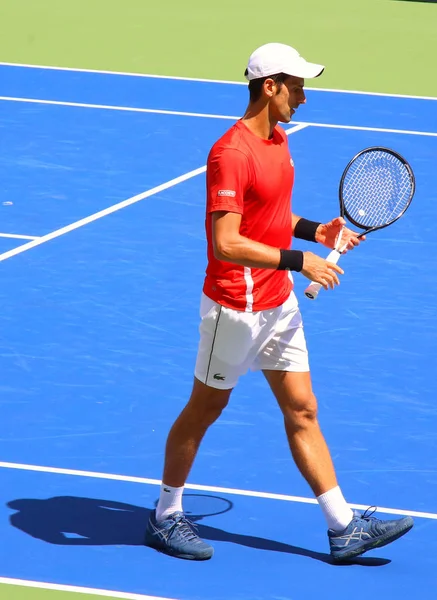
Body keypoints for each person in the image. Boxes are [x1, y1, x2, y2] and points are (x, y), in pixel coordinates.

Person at [145, 43, 413, 561]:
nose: (305, 98)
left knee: (303, 409)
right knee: (206, 409)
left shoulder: (279, 141)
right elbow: (227, 242)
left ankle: (342, 527)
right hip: (235, 308)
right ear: (270, 87)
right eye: (298, 86)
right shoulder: (231, 153)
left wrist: (317, 231)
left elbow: (271, 216)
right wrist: (302, 262)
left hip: (278, 303)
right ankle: (165, 515)